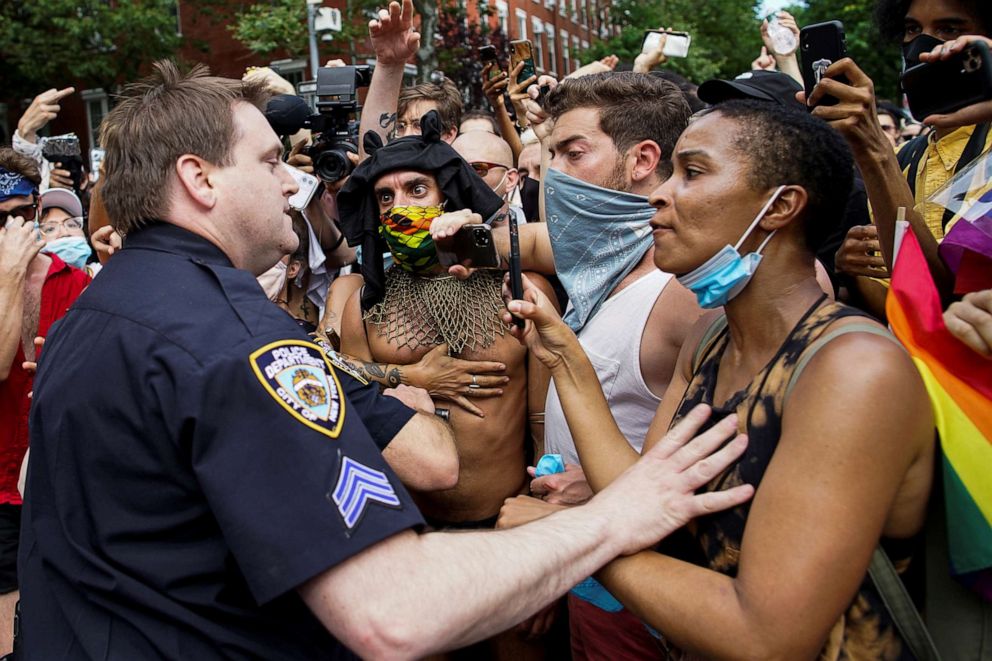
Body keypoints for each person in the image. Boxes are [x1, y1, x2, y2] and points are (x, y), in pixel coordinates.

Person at [19, 60, 754, 660]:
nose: (293, 183)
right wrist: (619, 514)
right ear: (199, 178)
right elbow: (392, 611)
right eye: (272, 161)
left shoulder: (97, 309)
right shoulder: (236, 336)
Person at [500, 99, 936, 659]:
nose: (660, 193)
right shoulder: (711, 339)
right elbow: (643, 498)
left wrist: (565, 539)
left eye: (693, 172)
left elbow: (766, 634)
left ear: (780, 207)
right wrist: (564, 357)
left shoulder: (852, 371)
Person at [822, 0, 992, 318]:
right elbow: (905, 304)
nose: (922, 45)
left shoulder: (886, 159)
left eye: (949, 29)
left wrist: (874, 149)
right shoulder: (903, 158)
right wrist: (854, 273)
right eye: (913, 29)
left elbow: (944, 296)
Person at [0, 148, 90, 656]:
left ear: (34, 208)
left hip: (60, 476)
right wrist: (9, 278)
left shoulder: (72, 279)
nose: (11, 229)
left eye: (19, 215)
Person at [451, 130, 524, 227]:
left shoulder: (535, 232)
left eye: (477, 169)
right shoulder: (437, 231)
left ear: (510, 180)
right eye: (456, 170)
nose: (464, 178)